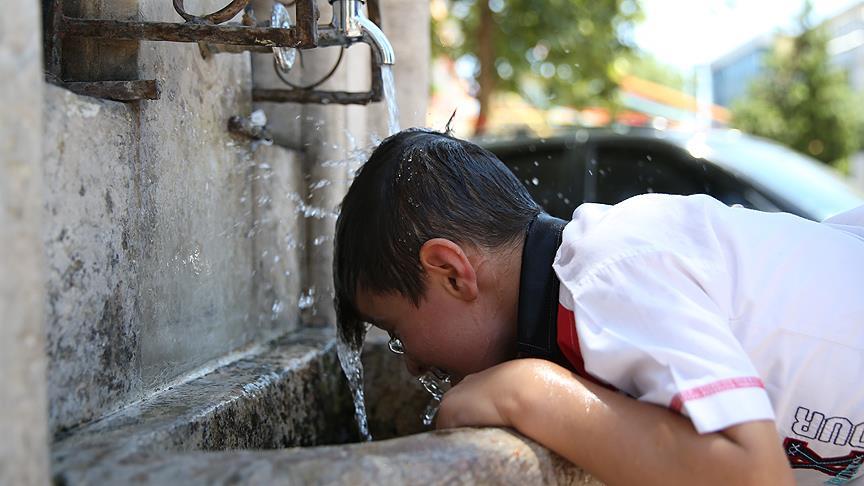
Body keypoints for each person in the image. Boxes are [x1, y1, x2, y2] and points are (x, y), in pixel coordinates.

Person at [333, 128, 864, 485]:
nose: (411, 365)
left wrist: (528, 392)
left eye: (396, 333)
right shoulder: (591, 297)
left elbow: (753, 477)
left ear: (450, 271)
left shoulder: (609, 267)